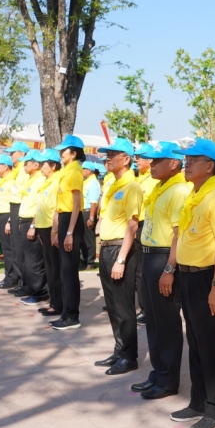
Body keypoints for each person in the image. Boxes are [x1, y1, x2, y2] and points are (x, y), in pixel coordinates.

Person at [168, 138, 215, 428]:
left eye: (193, 159)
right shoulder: (195, 194)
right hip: (188, 277)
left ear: (210, 166)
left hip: (209, 277)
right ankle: (197, 402)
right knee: (195, 343)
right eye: (186, 159)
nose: (186, 163)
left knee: (210, 346)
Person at [130, 142, 190, 400]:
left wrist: (169, 268)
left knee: (166, 323)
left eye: (157, 161)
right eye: (150, 161)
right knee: (152, 321)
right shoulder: (160, 188)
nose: (151, 165)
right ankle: (158, 372)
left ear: (174, 163)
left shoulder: (179, 190)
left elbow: (178, 234)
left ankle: (168, 379)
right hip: (149, 257)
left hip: (164, 258)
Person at [93, 137, 143, 371]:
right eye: (107, 154)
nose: (108, 158)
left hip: (119, 249)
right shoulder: (113, 184)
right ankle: (119, 349)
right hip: (107, 247)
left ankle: (129, 356)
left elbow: (132, 225)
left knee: (123, 306)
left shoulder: (131, 186)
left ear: (126, 159)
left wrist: (121, 259)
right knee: (112, 304)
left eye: (113, 155)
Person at [49, 135, 88, 331]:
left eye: (63, 151)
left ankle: (72, 315)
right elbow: (59, 205)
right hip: (63, 221)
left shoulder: (75, 173)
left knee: (70, 271)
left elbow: (75, 205)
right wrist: (56, 230)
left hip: (72, 222)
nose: (60, 153)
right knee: (64, 270)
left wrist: (70, 232)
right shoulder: (65, 172)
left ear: (73, 154)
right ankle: (65, 312)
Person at [32, 150, 64, 317]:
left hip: (52, 228)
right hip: (43, 227)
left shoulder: (57, 180)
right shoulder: (46, 182)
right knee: (49, 266)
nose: (41, 167)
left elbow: (57, 207)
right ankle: (54, 301)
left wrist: (54, 231)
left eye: (44, 164)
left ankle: (58, 303)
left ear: (53, 165)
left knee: (55, 268)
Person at [16, 150, 49, 305]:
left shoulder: (40, 180)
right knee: (26, 259)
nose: (24, 166)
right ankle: (32, 288)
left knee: (34, 260)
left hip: (32, 222)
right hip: (25, 221)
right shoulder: (32, 179)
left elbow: (39, 205)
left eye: (27, 163)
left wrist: (33, 225)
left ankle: (39, 292)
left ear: (36, 164)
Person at [134, 144, 160, 325]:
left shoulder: (155, 180)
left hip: (148, 226)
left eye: (140, 157)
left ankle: (147, 308)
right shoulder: (141, 178)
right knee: (138, 269)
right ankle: (143, 306)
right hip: (139, 225)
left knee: (145, 268)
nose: (137, 160)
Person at [3, 141, 31, 292]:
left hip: (20, 207)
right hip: (14, 207)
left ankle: (24, 283)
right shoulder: (18, 170)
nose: (11, 156)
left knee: (20, 248)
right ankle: (20, 280)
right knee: (15, 247)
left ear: (21, 154)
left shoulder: (24, 170)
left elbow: (24, 193)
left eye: (13, 153)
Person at [0, 155, 18, 289]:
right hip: (1, 215)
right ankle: (9, 276)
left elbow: (14, 202)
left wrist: (10, 221)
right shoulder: (3, 180)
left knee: (9, 248)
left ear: (5, 166)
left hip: (7, 215)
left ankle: (12, 278)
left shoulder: (11, 181)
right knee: (5, 248)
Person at [82, 162, 101, 269]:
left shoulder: (93, 183)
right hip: (83, 211)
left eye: (83, 169)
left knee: (88, 238)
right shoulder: (87, 182)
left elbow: (94, 202)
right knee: (83, 238)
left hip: (88, 212)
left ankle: (90, 262)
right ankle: (84, 260)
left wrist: (91, 218)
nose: (82, 171)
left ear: (89, 170)